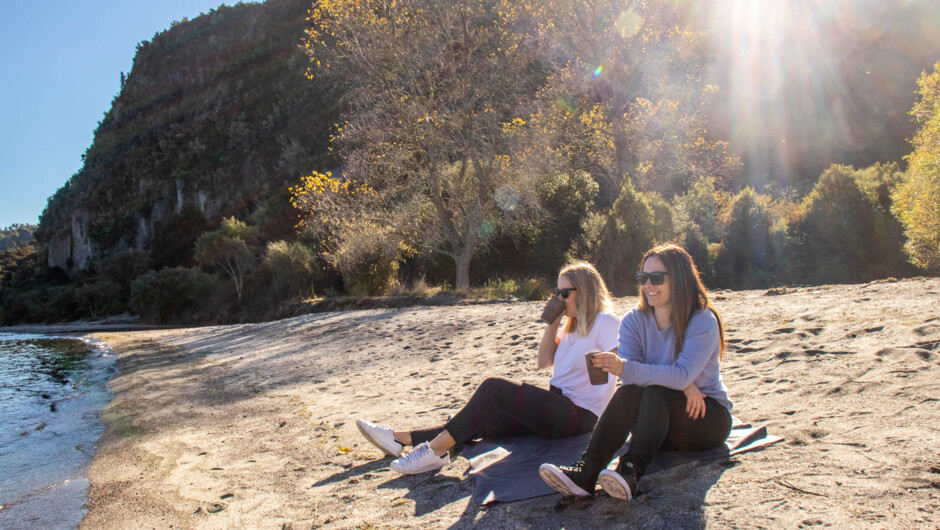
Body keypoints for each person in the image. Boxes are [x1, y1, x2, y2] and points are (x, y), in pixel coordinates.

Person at [355, 262, 621, 474]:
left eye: (565, 294)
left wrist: (610, 365)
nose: (559, 299)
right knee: (483, 419)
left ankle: (434, 452)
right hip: (555, 405)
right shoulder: (571, 325)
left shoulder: (605, 322)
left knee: (494, 388)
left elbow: (624, 363)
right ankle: (400, 438)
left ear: (583, 292)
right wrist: (552, 322)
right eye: (556, 293)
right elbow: (544, 363)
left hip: (579, 416)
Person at [539, 244, 733, 500]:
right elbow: (632, 377)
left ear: (680, 279)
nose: (648, 285)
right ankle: (587, 472)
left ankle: (629, 470)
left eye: (656, 278)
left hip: (705, 416)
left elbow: (671, 373)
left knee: (655, 393)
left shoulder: (702, 321)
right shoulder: (633, 320)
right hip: (656, 424)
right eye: (643, 278)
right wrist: (682, 383)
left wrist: (682, 381)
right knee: (631, 391)